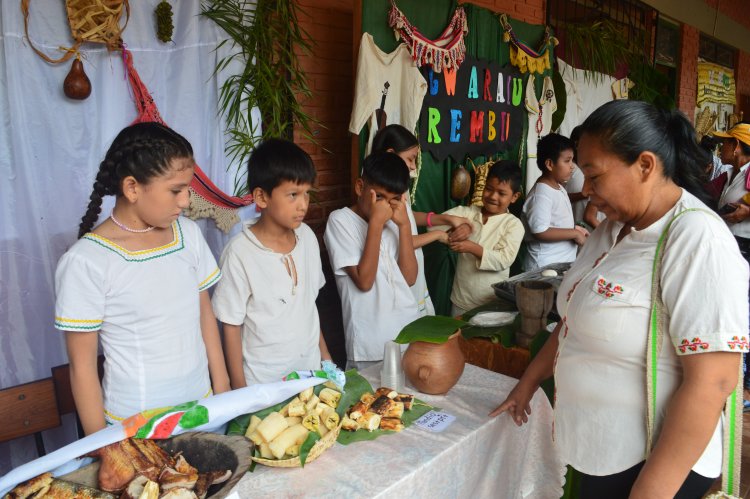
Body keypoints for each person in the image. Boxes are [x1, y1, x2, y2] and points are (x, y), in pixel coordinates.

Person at [491, 100, 749, 498]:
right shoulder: (612, 229)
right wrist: (526, 385)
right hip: (599, 450)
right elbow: (573, 322)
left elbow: (714, 381)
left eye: (593, 176)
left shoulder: (697, 239)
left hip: (652, 467)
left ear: (645, 165)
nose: (587, 192)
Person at [54, 122, 230, 434]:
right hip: (135, 426)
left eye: (187, 189)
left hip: (203, 410)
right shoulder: (86, 261)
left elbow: (205, 315)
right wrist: (102, 449)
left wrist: (223, 390)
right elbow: (81, 368)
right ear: (133, 188)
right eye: (175, 190)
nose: (185, 201)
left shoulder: (187, 234)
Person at [212, 139, 331, 388]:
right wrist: (240, 390)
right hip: (263, 386)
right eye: (293, 195)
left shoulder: (307, 237)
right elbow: (231, 326)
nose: (303, 204)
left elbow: (308, 307)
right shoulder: (239, 253)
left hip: (311, 378)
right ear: (261, 197)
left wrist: (326, 361)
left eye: (307, 193)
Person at [324, 152, 419, 370]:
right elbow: (364, 281)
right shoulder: (340, 221)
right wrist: (376, 223)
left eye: (394, 199)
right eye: (380, 197)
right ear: (360, 187)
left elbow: (410, 278)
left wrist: (404, 226)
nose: (386, 206)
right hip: (370, 343)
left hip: (407, 333)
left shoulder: (397, 219)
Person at [371, 124, 470, 317]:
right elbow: (397, 241)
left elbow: (407, 216)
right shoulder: (379, 195)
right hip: (400, 279)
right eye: (410, 158)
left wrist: (444, 218)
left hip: (414, 273)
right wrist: (438, 235)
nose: (414, 166)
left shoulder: (398, 186)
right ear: (391, 153)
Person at [431, 161, 524, 316]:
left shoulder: (513, 225)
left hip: (492, 303)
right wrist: (459, 225)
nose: (493, 196)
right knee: (458, 337)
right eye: (489, 189)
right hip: (461, 300)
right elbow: (432, 227)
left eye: (501, 193)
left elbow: (504, 259)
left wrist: (471, 247)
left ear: (514, 197)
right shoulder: (468, 213)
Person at [713, 122, 750, 409]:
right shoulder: (731, 174)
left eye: (726, 143)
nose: (721, 147)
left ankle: (746, 388)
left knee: (743, 310)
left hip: (745, 247)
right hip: (733, 245)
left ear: (737, 146)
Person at [522, 133, 589, 271]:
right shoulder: (541, 194)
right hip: (543, 267)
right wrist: (574, 233)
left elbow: (554, 219)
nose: (572, 167)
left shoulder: (558, 186)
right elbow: (540, 231)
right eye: (567, 161)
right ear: (550, 164)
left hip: (557, 264)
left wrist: (575, 229)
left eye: (572, 161)